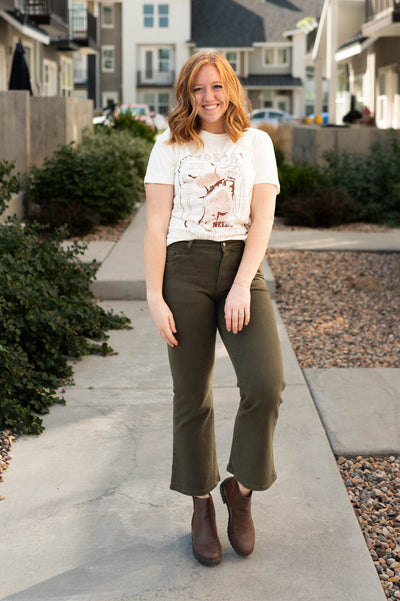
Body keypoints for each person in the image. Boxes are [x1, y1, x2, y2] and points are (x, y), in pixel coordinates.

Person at [144, 51, 285, 567]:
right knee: (192, 393)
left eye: (216, 87)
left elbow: (263, 218)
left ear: (231, 89)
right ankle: (202, 504)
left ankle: (239, 492)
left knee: (266, 386)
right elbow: (157, 225)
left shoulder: (257, 143)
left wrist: (244, 283)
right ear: (187, 93)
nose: (208, 98)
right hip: (184, 268)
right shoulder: (169, 145)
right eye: (198, 89)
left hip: (240, 266)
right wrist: (154, 296)